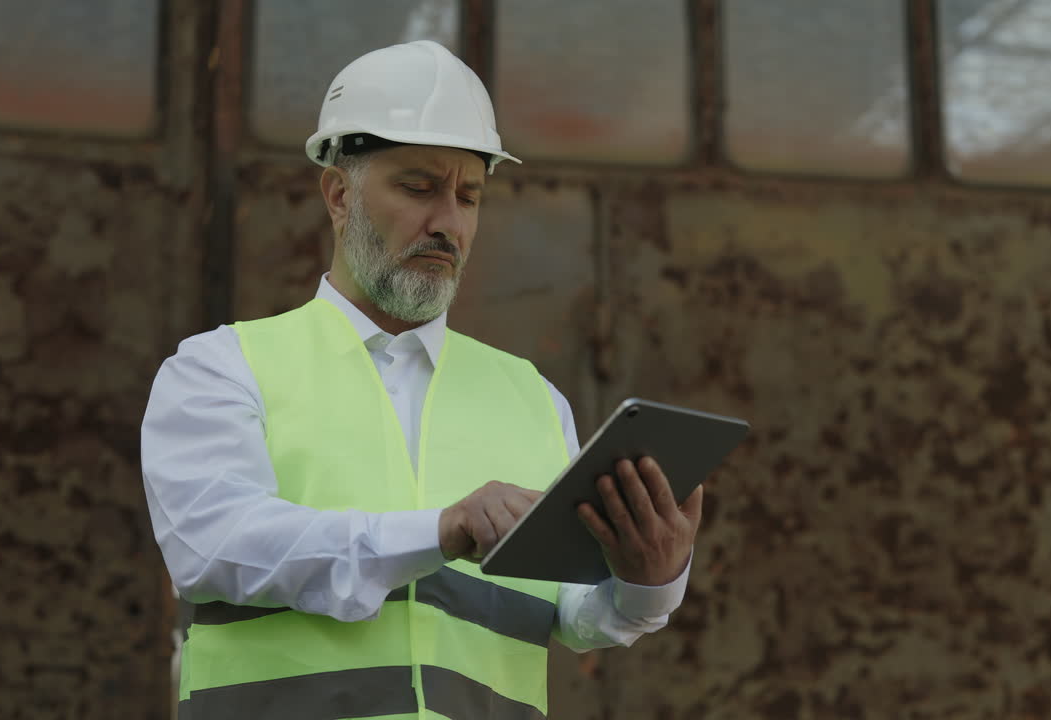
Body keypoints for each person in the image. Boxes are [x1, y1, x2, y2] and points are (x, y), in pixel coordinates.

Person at [141, 40, 702, 720]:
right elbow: (217, 548)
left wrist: (650, 581)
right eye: (418, 187)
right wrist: (441, 530)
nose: (448, 224)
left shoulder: (532, 399)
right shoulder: (221, 369)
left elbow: (577, 612)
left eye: (469, 196)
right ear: (338, 195)